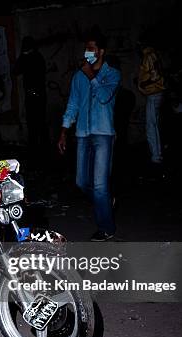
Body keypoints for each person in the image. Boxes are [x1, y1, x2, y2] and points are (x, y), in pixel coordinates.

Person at [58, 32, 121, 241]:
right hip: (83, 134)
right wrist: (64, 131)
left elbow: (104, 97)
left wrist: (92, 76)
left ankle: (107, 228)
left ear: (101, 51)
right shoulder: (78, 77)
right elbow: (73, 104)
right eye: (87, 48)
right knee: (82, 182)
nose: (88, 52)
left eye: (92, 48)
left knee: (100, 184)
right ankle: (106, 200)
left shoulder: (112, 74)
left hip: (103, 133)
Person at [15, 36, 48, 169]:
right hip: (38, 95)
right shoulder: (37, 56)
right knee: (39, 124)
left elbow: (16, 70)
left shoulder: (30, 58)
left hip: (34, 95)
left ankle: (37, 152)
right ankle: (42, 151)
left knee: (35, 124)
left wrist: (22, 56)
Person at [137, 42, 166, 166]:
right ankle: (158, 154)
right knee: (154, 125)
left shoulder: (148, 56)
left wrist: (144, 83)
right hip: (156, 93)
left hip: (153, 93)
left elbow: (154, 76)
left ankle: (156, 156)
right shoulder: (155, 55)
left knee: (151, 127)